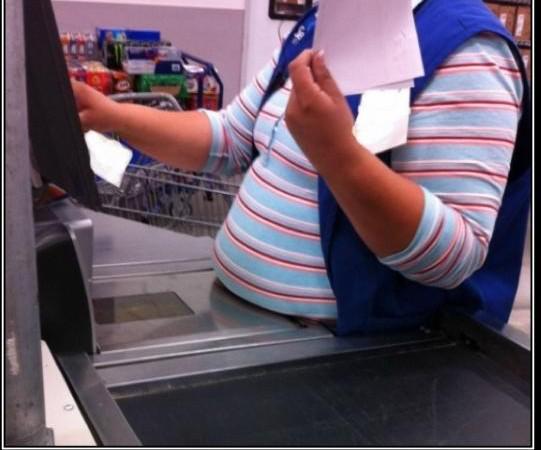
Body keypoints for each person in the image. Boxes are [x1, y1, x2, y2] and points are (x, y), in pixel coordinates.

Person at [72, 0, 530, 334]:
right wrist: (109, 114)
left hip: (347, 367)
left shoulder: (469, 51)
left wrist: (337, 155)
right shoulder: (331, 19)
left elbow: (455, 255)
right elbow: (230, 136)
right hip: (246, 324)